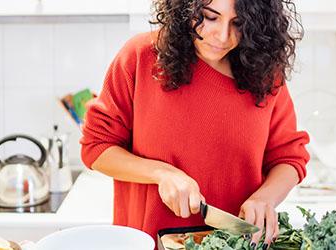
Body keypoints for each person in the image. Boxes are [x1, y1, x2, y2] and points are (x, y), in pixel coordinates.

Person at [79, 0, 309, 246]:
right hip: (149, 242)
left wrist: (266, 197)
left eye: (238, 23)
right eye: (210, 17)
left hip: (238, 242)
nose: (222, 36)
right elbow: (97, 147)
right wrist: (161, 173)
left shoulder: (265, 75)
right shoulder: (141, 57)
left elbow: (289, 158)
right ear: (185, 9)